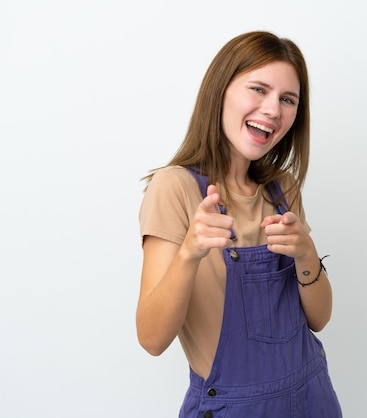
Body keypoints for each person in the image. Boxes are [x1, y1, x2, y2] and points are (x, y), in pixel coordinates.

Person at [136, 31, 342, 417]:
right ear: (220, 91)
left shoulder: (282, 189)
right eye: (258, 89)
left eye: (287, 100)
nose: (272, 109)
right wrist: (189, 254)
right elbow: (151, 339)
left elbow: (320, 318)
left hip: (313, 397)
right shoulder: (175, 188)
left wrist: (306, 252)